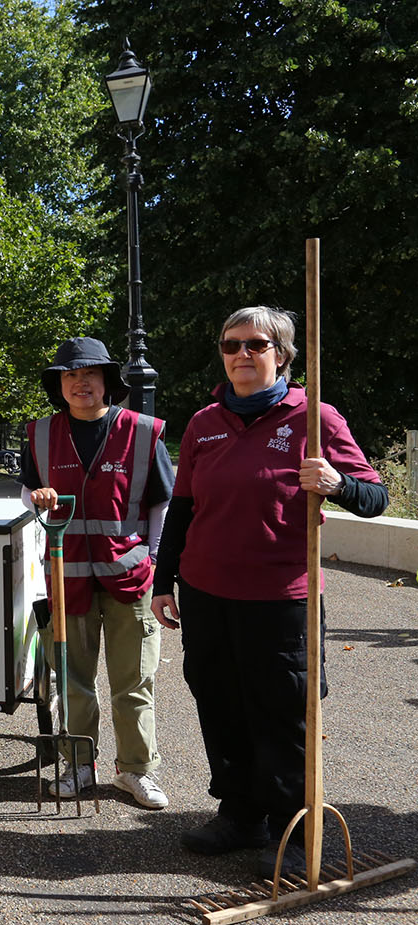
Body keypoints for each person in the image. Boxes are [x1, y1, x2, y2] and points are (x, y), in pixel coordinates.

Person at [151, 305, 388, 879]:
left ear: (280, 354)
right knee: (220, 703)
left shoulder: (315, 417)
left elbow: (374, 497)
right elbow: (182, 510)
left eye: (254, 345)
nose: (240, 355)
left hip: (283, 597)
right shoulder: (205, 422)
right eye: (230, 345)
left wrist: (338, 483)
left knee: (283, 711)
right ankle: (240, 815)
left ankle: (297, 829)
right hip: (207, 592)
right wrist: (164, 581)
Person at [20, 337, 174, 809]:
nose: (79, 382)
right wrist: (39, 501)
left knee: (134, 682)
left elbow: (162, 502)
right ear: (59, 385)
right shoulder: (41, 435)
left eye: (89, 374)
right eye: (69, 375)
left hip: (130, 580)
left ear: (107, 382)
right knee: (72, 681)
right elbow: (28, 496)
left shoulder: (142, 432)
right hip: (67, 582)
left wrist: (151, 557)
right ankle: (79, 767)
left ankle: (136, 771)